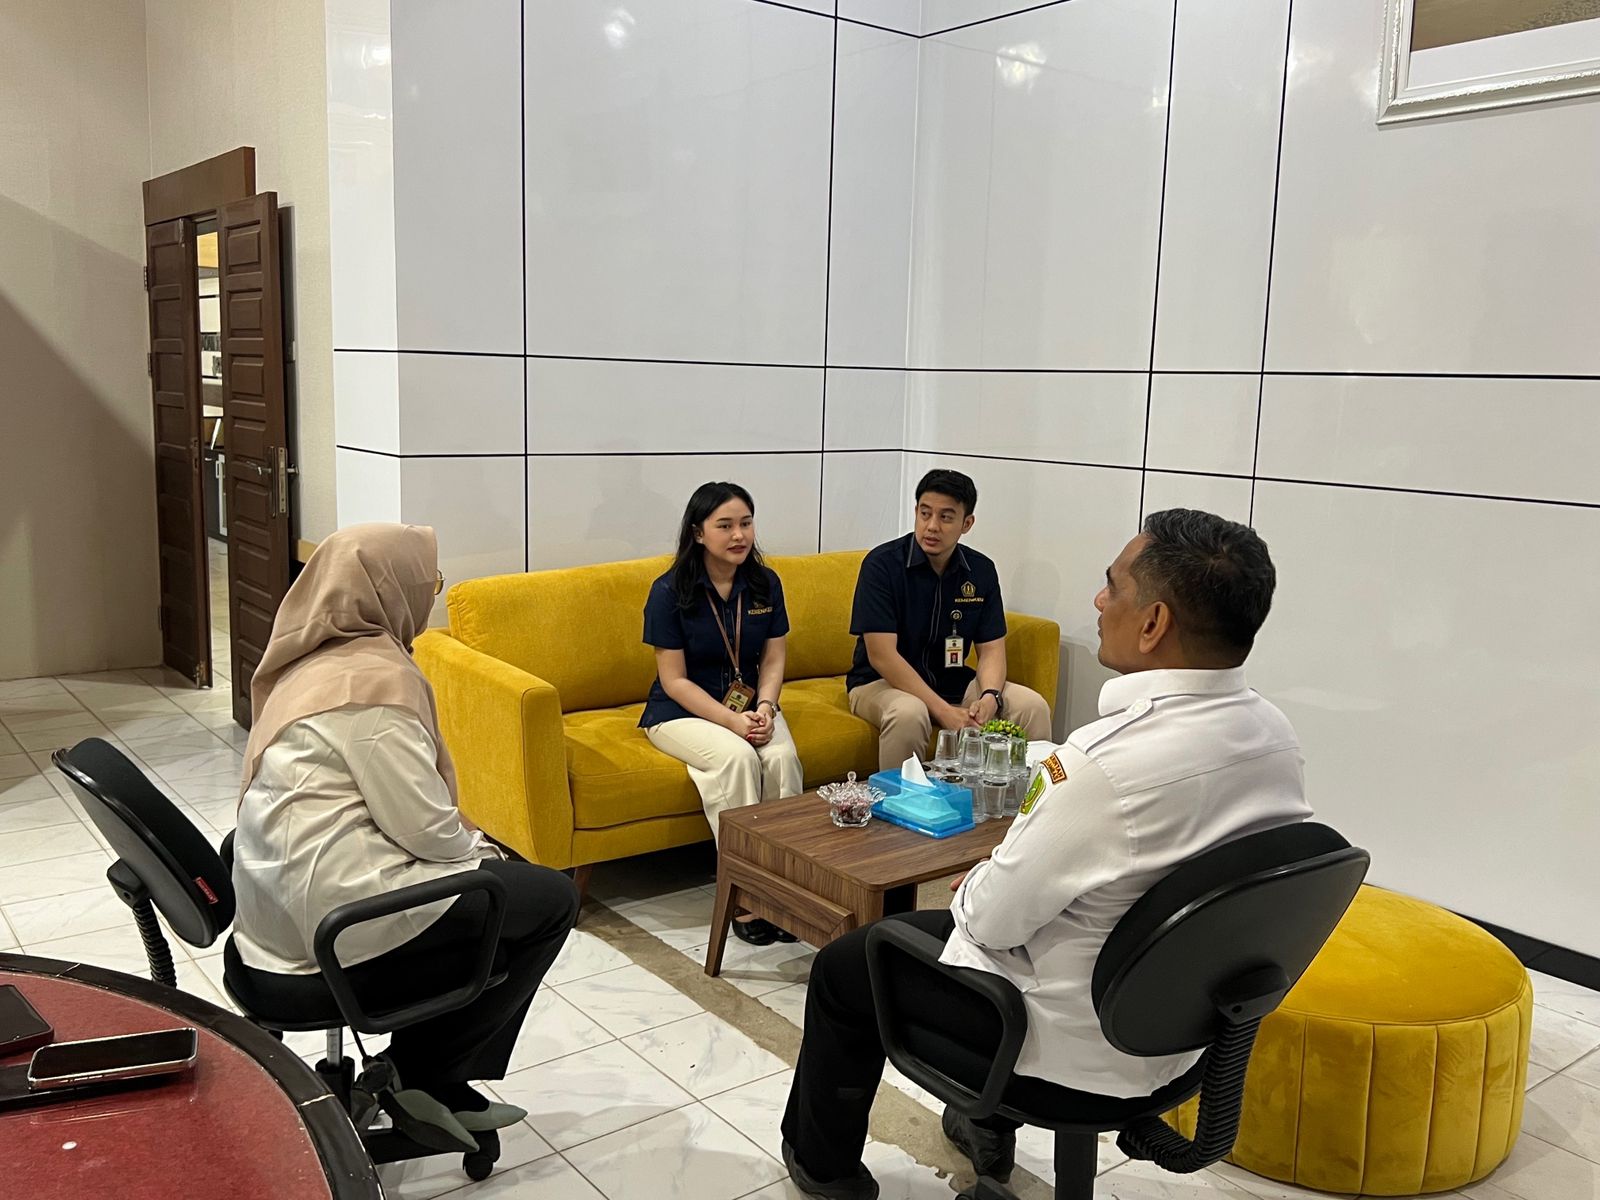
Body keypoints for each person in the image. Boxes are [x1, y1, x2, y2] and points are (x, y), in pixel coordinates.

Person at [779, 509, 1313, 1199]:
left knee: (849, 965)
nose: (1098, 600)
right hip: (1185, 1038)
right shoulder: (1275, 736)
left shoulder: (1103, 765)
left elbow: (990, 922)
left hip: (1062, 1046)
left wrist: (981, 881)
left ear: (1153, 623)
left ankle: (823, 1169)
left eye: (1112, 585)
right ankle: (983, 1122)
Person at [230, 523, 578, 1147]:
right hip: (328, 936)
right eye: (429, 584)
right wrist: (487, 851)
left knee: (502, 898)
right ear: (392, 589)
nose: (430, 595)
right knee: (549, 899)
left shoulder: (311, 661)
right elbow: (427, 829)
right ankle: (423, 1073)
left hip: (273, 916)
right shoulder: (372, 688)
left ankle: (427, 1075)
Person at [641, 482, 804, 945]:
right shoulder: (669, 591)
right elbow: (674, 679)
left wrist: (766, 707)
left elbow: (773, 659)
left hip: (752, 707)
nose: (739, 535)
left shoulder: (765, 583)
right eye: (725, 525)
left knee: (782, 759)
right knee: (737, 759)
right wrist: (732, 721)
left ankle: (787, 891)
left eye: (746, 524)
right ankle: (745, 895)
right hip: (679, 712)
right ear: (698, 533)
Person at [846, 468, 1052, 771]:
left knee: (1031, 707)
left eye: (945, 517)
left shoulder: (980, 571)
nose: (932, 526)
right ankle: (900, 800)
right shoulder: (882, 565)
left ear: (966, 523)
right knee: (909, 713)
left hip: (953, 682)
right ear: (916, 512)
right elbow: (882, 656)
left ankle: (1030, 798)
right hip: (879, 683)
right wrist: (943, 711)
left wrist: (990, 697)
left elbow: (992, 650)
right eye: (925, 513)